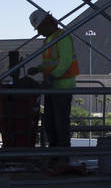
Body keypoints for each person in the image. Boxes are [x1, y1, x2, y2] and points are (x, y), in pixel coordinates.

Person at [25, 9, 79, 170]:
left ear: (48, 24)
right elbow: (51, 62)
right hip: (52, 87)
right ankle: (55, 155)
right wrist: (39, 69)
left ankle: (63, 157)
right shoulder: (49, 40)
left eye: (40, 28)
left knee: (60, 123)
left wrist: (51, 77)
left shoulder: (62, 37)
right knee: (50, 123)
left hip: (62, 86)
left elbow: (65, 62)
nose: (39, 32)